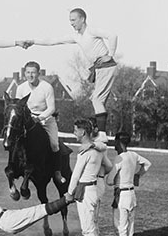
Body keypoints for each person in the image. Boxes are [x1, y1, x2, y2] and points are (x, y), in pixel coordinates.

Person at [26, 8, 118, 142]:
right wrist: (33, 41)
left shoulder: (91, 31)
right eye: (70, 20)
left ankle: (102, 134)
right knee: (98, 100)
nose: (71, 23)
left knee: (96, 100)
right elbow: (53, 41)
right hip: (99, 68)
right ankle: (99, 130)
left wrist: (110, 55)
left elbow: (113, 36)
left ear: (83, 19)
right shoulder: (76, 36)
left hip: (106, 66)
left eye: (74, 20)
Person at [63, 118, 114, 236]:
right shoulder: (98, 150)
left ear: (83, 132)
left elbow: (75, 175)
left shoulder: (85, 152)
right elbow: (110, 167)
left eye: (75, 130)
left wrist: (69, 193)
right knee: (92, 225)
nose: (74, 133)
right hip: (93, 189)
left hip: (86, 190)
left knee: (88, 228)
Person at [14, 61, 66, 185]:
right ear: (24, 73)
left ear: (38, 73)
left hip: (46, 119)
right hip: (28, 120)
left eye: (33, 73)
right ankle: (14, 166)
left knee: (54, 144)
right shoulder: (21, 88)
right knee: (16, 141)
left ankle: (57, 172)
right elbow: (17, 107)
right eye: (27, 72)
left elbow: (51, 108)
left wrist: (40, 118)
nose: (30, 75)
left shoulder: (47, 87)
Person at [111, 131, 152, 236]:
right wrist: (137, 175)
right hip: (132, 194)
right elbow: (147, 164)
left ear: (119, 142)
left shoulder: (119, 158)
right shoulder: (134, 155)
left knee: (121, 229)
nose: (114, 146)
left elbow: (110, 180)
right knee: (130, 230)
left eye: (116, 142)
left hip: (121, 195)